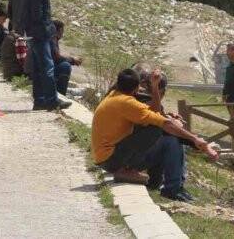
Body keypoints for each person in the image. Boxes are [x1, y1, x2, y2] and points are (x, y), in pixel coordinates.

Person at [92, 69, 219, 201]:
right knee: (167, 138)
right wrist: (196, 140)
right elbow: (162, 122)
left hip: (106, 156)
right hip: (113, 160)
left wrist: (168, 116)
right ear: (136, 88)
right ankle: (172, 189)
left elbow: (155, 113)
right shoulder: (129, 102)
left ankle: (154, 183)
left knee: (163, 135)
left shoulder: (115, 95)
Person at [23, 0, 70, 110]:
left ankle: (39, 100)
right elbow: (38, 13)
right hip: (40, 33)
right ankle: (52, 100)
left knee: (37, 68)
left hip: (30, 32)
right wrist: (48, 29)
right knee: (48, 67)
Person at [51, 19, 82, 96]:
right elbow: (57, 58)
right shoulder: (51, 39)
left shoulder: (52, 39)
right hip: (43, 71)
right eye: (62, 31)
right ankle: (60, 95)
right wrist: (73, 60)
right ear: (58, 31)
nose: (62, 34)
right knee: (65, 66)